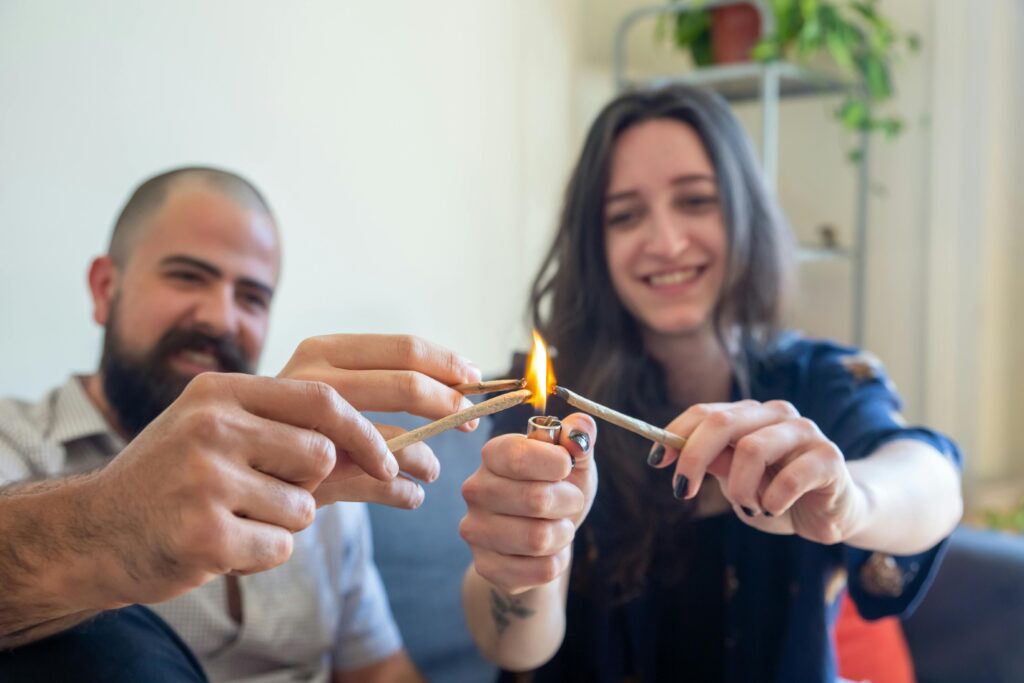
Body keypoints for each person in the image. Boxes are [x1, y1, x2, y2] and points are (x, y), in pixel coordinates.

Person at [459, 85, 964, 682]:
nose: (667, 242)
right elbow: (513, 649)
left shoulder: (819, 379)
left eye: (696, 201)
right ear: (595, 244)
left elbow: (932, 479)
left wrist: (850, 501)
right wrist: (528, 561)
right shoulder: (551, 411)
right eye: (625, 215)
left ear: (744, 214)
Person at [0, 166, 485, 682]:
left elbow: (378, 670)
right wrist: (113, 520)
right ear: (104, 288)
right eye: (187, 275)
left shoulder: (323, 461)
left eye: (251, 297)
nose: (220, 318)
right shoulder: (19, 440)